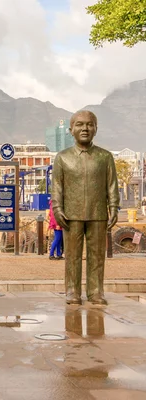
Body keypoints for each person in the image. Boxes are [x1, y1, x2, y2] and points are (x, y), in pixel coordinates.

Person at [52, 110, 119, 305]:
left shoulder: (105, 157)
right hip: (71, 214)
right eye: (80, 124)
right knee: (72, 255)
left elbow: (112, 185)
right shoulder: (62, 157)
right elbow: (57, 187)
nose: (85, 128)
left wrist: (113, 206)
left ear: (96, 129)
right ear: (71, 130)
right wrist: (57, 208)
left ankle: (96, 291)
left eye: (89, 124)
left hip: (98, 213)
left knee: (97, 255)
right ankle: (72, 290)